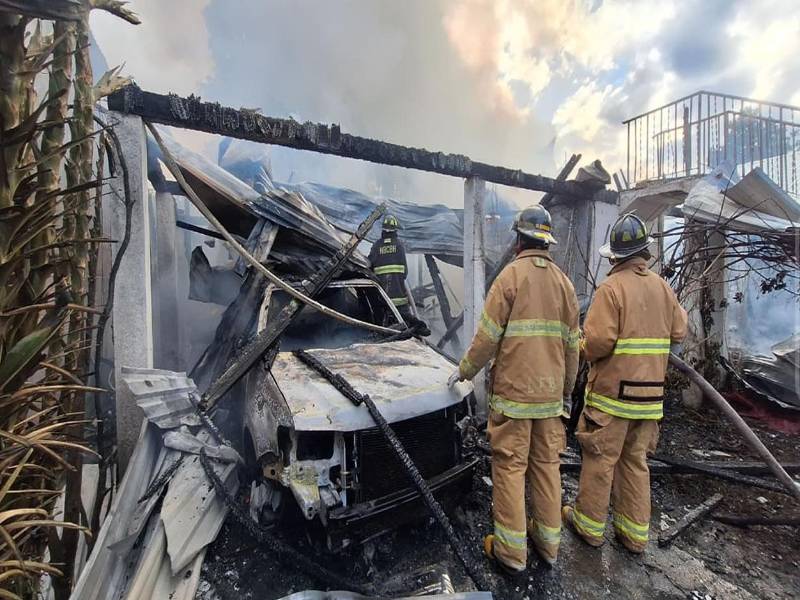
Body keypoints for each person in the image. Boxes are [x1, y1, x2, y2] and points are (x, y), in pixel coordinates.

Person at [448, 205, 580, 572]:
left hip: (514, 399)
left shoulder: (509, 279)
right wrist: (566, 390)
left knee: (508, 468)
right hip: (551, 399)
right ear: (546, 242)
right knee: (546, 468)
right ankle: (549, 546)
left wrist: (464, 370)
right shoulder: (564, 284)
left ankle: (510, 554)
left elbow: (487, 339)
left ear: (519, 239)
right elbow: (572, 346)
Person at [562, 213, 688, 554]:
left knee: (600, 460)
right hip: (650, 400)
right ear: (643, 253)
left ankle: (588, 527)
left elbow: (599, 342)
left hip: (612, 400)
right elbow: (679, 332)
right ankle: (634, 536)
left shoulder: (611, 288)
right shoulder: (663, 287)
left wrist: (580, 346)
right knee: (635, 462)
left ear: (615, 256)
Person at [368, 214, 429, 334]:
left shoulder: (376, 246)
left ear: (383, 230)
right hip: (399, 298)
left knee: (380, 327)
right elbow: (404, 272)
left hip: (382, 299)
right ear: (395, 230)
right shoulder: (399, 246)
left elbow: (369, 266)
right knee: (406, 324)